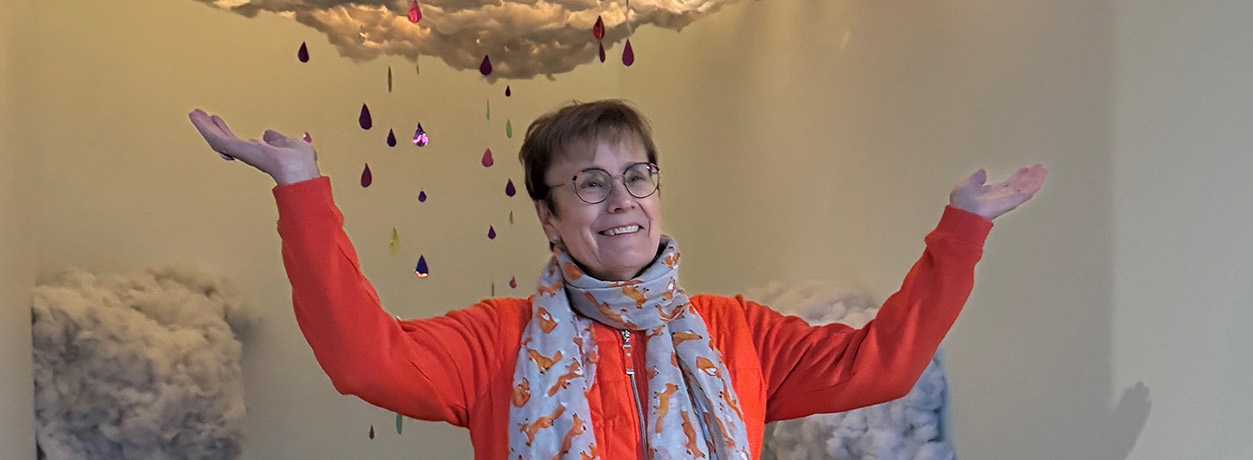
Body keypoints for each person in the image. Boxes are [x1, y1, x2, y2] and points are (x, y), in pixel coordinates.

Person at [186, 99, 1046, 460]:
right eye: (588, 183)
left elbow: (880, 369)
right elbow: (364, 362)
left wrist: (961, 232)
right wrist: (300, 188)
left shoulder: (735, 331)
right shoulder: (498, 341)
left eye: (638, 177)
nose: (622, 202)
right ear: (549, 217)